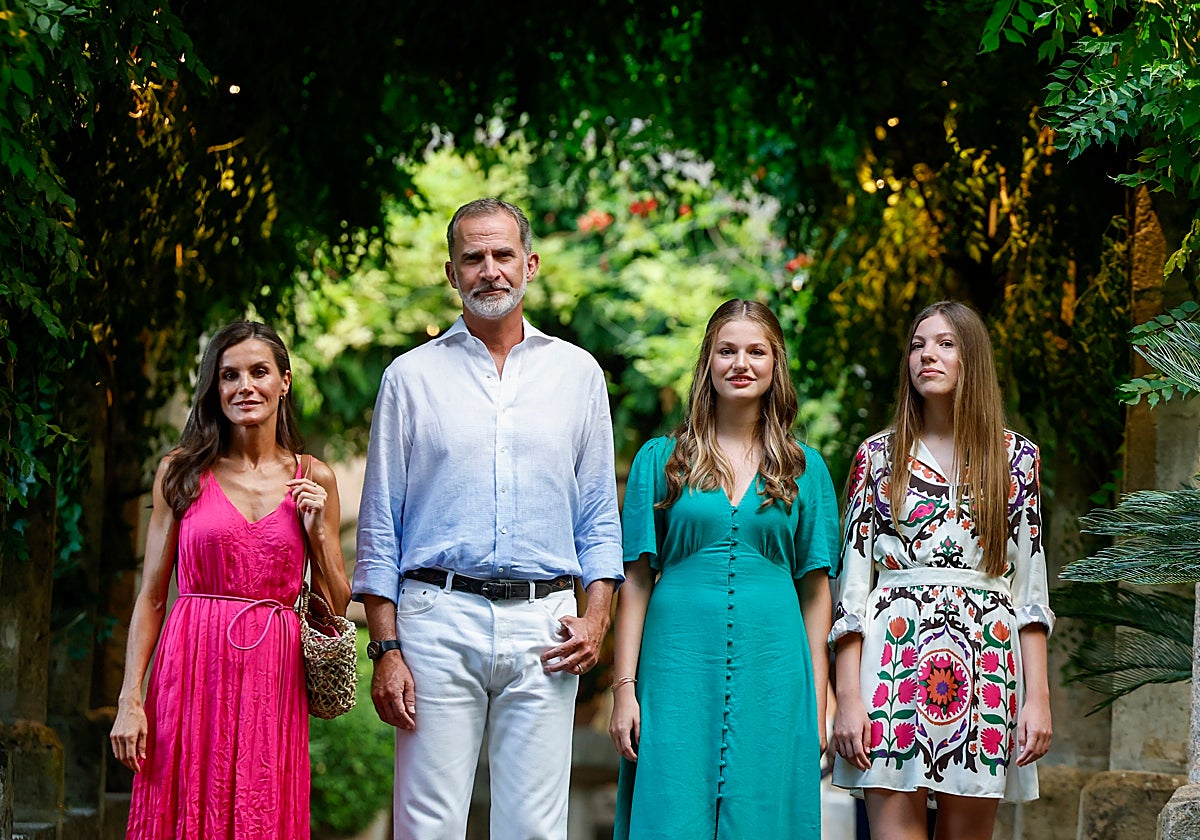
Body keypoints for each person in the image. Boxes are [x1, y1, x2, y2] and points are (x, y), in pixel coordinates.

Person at [353, 197, 624, 840]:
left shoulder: (578, 374)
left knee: (534, 828)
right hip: (435, 619)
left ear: (529, 264)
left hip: (545, 622)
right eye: (473, 257)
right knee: (427, 824)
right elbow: (378, 526)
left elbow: (598, 515)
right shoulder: (409, 379)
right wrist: (387, 648)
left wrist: (597, 614)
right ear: (452, 273)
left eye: (503, 255)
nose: (490, 270)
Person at [608, 299, 840, 839]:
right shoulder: (660, 459)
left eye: (756, 351)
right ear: (707, 364)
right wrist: (625, 687)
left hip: (776, 671)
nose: (741, 363)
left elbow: (816, 593)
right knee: (670, 809)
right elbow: (636, 581)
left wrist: (819, 697)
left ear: (775, 363)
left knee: (765, 813)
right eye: (726, 350)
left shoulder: (807, 469)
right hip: (674, 669)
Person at [110, 321, 350, 838]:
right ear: (214, 389)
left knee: (260, 808)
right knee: (183, 807)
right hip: (190, 664)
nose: (245, 386)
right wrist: (131, 699)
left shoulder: (315, 476)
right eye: (229, 375)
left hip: (273, 675)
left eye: (259, 372)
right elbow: (152, 598)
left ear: (284, 381)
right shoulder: (181, 472)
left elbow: (336, 602)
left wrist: (318, 533)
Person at [830, 300, 1054, 839]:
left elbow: (1030, 589)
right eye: (918, 344)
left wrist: (1038, 699)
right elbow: (852, 589)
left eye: (946, 344)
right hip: (893, 663)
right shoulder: (877, 456)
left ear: (971, 359)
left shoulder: (1017, 459)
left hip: (988, 665)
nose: (927, 354)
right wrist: (848, 697)